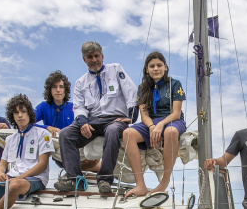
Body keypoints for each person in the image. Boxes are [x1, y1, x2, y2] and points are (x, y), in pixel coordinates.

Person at [54, 41, 137, 194]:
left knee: (112, 131)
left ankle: (104, 179)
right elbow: (78, 107)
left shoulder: (116, 70)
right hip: (92, 121)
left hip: (114, 120)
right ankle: (75, 180)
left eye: (96, 56)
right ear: (84, 60)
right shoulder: (80, 83)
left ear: (102, 56)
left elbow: (131, 92)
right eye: (89, 57)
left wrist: (131, 117)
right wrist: (83, 122)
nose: (94, 60)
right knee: (66, 134)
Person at [121, 51, 187, 198]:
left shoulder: (175, 84)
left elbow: (176, 113)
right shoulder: (143, 87)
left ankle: (164, 182)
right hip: (151, 121)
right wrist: (152, 127)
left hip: (172, 120)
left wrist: (160, 125)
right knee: (128, 134)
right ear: (147, 69)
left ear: (165, 67)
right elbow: (144, 115)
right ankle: (140, 185)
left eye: (159, 65)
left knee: (170, 132)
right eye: (152, 66)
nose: (156, 69)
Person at [34, 70, 74, 137]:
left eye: (61, 87)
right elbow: (27, 122)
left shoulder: (74, 108)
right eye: (54, 87)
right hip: (49, 143)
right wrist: (46, 127)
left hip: (69, 144)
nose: (58, 90)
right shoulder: (43, 106)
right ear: (50, 90)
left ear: (65, 90)